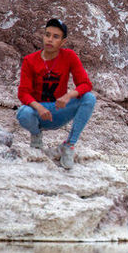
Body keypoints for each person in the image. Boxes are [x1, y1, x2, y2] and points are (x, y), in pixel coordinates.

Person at [16, 18, 96, 169]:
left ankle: (69, 145)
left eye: (55, 37)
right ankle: (36, 136)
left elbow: (86, 84)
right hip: (38, 113)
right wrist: (39, 108)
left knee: (89, 98)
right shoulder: (29, 60)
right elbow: (23, 93)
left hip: (59, 111)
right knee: (23, 112)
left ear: (63, 42)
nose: (50, 39)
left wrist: (68, 96)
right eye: (47, 35)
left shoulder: (69, 56)